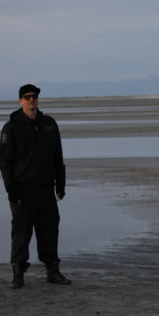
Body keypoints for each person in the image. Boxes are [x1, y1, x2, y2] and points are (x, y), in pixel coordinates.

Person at [0, 84, 71, 289]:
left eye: (34, 97)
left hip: (46, 189)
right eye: (27, 97)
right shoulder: (11, 128)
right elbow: (4, 163)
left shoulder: (49, 124)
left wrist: (61, 185)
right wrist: (11, 191)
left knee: (49, 230)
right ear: (20, 101)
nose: (31, 100)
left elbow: (58, 156)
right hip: (23, 191)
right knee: (21, 232)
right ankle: (18, 274)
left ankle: (52, 271)